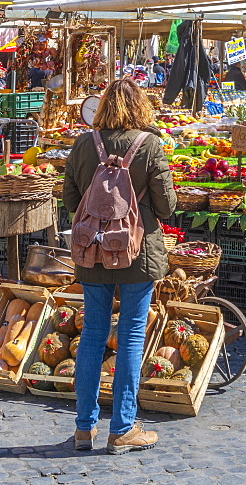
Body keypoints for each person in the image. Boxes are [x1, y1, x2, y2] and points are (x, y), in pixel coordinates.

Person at [62, 78, 177, 455]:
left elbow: (70, 199)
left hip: (92, 251)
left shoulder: (82, 144)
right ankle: (123, 428)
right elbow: (167, 207)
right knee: (129, 336)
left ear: (104, 105)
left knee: (92, 335)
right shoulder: (149, 145)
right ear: (140, 105)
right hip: (136, 254)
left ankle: (83, 428)